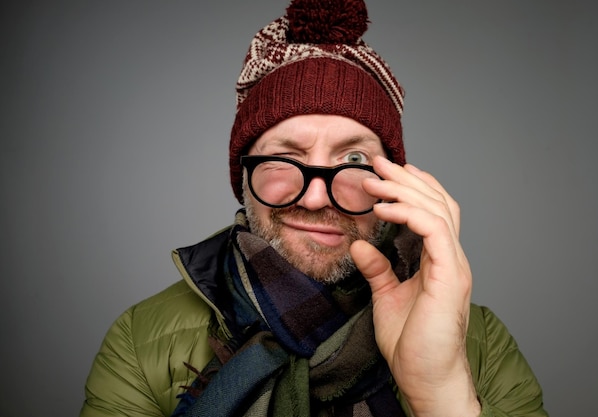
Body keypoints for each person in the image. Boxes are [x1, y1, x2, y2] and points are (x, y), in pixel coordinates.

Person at [81, 0, 548, 416]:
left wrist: (440, 393)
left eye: (353, 160)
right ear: (245, 176)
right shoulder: (139, 340)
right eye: (286, 158)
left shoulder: (479, 342)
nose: (317, 197)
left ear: (394, 183)